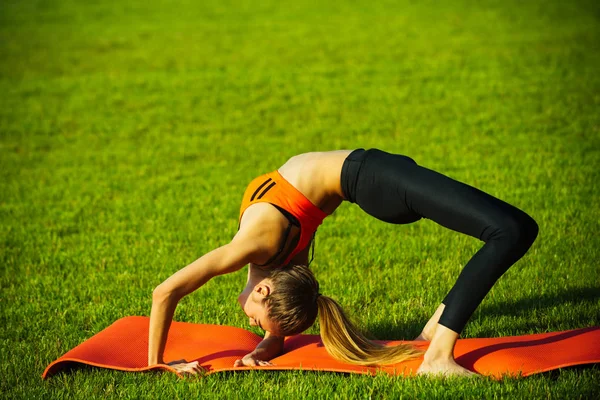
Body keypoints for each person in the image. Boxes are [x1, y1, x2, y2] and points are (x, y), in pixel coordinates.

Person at [147, 149, 538, 376]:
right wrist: (265, 348)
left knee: (509, 231)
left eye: (256, 322)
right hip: (373, 177)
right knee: (512, 230)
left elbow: (165, 291)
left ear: (265, 290)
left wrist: (158, 363)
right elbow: (277, 329)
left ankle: (437, 354)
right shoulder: (280, 259)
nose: (250, 322)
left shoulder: (254, 245)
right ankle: (435, 337)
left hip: (374, 177)